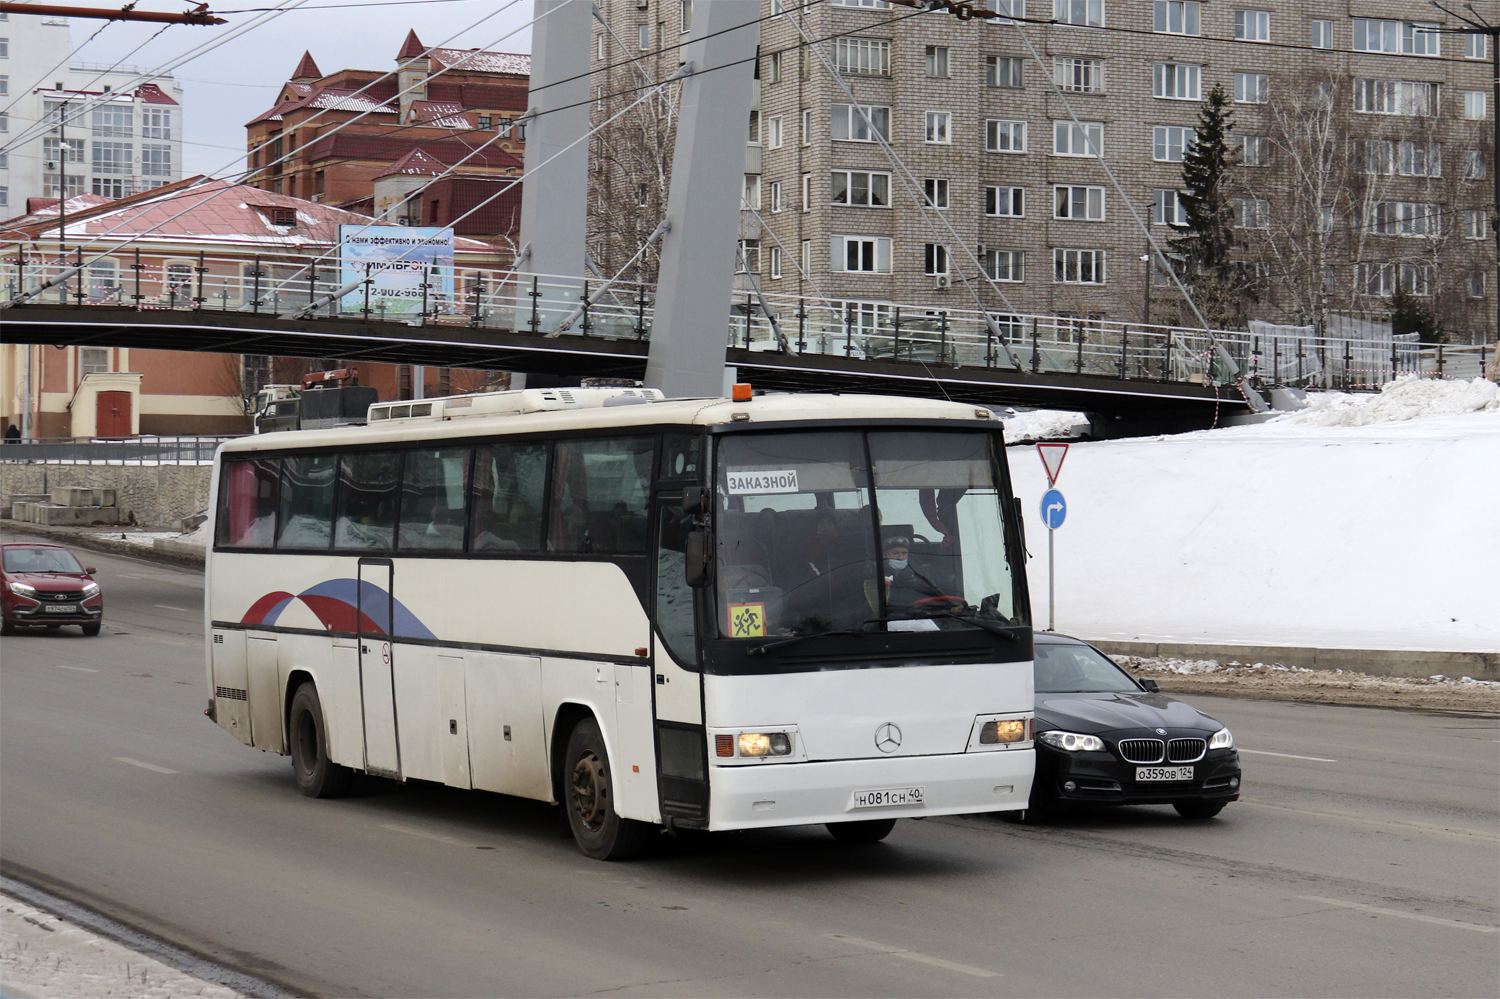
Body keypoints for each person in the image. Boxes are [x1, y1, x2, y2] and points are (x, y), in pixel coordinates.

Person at [881, 530, 954, 614]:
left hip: (919, 615)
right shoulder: (876, 574)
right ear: (885, 555)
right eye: (895, 553)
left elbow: (936, 596)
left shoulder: (919, 573)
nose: (900, 557)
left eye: (904, 553)